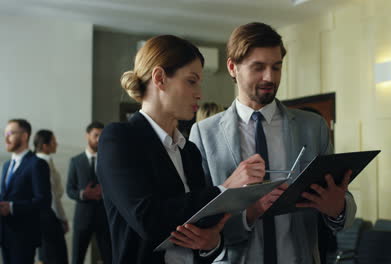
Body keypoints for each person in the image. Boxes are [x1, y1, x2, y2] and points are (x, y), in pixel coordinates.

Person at [190, 22, 357, 264]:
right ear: (232, 67)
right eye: (258, 67)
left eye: (276, 67)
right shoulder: (204, 134)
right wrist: (248, 215)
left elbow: (344, 205)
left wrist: (338, 208)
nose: (269, 77)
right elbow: (199, 219)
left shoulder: (313, 127)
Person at [97, 35, 266, 264]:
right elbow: (148, 219)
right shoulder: (119, 139)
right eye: (191, 81)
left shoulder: (189, 152)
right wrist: (224, 189)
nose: (199, 93)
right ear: (160, 79)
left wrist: (212, 243)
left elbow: (205, 231)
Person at [0, 119, 51, 264]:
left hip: (24, 236)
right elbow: (6, 195)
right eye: (5, 134)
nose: (6, 138)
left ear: (24, 136)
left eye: (10, 133)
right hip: (5, 235)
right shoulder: (7, 165)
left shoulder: (37, 164)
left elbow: (44, 201)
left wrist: (11, 207)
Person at [66, 121, 112, 264]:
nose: (99, 139)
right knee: (77, 258)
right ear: (87, 136)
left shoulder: (109, 160)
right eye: (95, 135)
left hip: (104, 217)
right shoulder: (76, 161)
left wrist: (104, 193)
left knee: (109, 257)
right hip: (82, 218)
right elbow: (69, 189)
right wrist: (83, 194)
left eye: (101, 136)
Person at [34, 129, 69, 264]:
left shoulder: (38, 161)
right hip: (50, 218)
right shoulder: (44, 163)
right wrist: (62, 218)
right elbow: (52, 195)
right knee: (55, 257)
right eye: (54, 142)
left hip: (42, 218)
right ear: (45, 145)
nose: (57, 144)